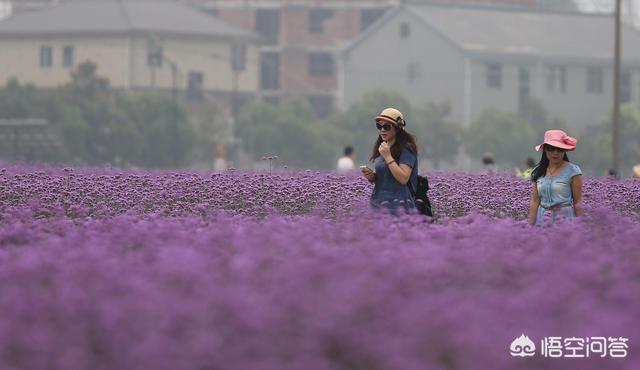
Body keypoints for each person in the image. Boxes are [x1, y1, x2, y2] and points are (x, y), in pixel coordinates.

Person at [360, 107, 418, 214]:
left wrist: (388, 157)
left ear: (397, 128)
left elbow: (403, 178)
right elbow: (388, 175)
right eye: (379, 126)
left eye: (386, 127)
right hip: (377, 205)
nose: (382, 130)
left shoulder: (406, 149)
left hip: (398, 209)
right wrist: (373, 177)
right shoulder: (383, 147)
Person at [527, 130, 583, 225]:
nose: (555, 152)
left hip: (565, 220)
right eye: (551, 148)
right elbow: (534, 201)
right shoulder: (538, 171)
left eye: (559, 149)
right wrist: (530, 225)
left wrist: (580, 226)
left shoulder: (573, 171)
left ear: (565, 150)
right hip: (542, 220)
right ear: (545, 150)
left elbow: (578, 202)